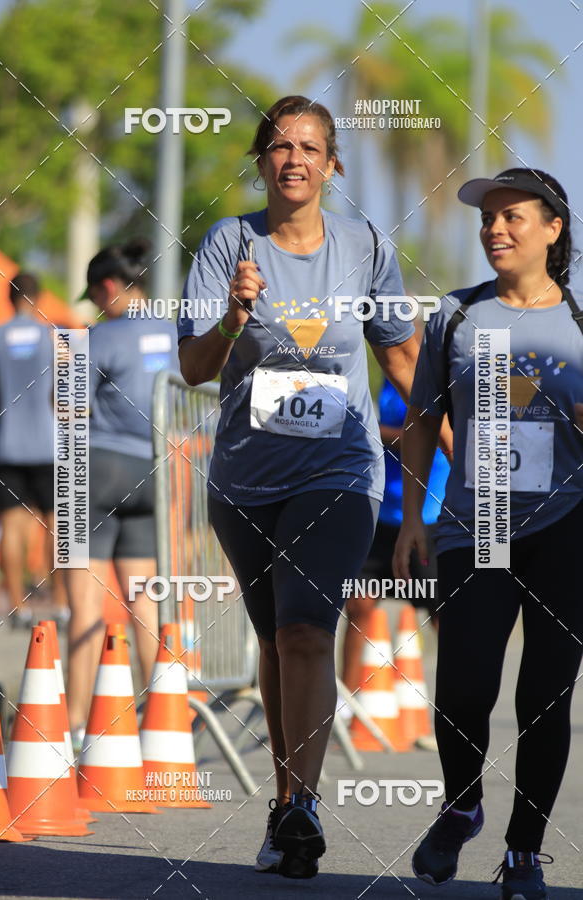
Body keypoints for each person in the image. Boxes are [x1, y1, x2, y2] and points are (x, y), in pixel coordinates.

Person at [178, 94, 451, 879]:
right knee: (272, 638)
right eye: (279, 145)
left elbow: (403, 360)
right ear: (261, 162)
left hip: (340, 467)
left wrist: (461, 456)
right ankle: (285, 799)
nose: (293, 158)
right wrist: (233, 318)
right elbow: (194, 370)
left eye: (309, 147)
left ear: (332, 165)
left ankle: (304, 806)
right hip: (244, 478)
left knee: (305, 628)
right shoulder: (228, 243)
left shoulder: (364, 245)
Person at [394, 168, 583, 900]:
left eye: (511, 217)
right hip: (477, 523)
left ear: (552, 228)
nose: (495, 229)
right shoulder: (456, 315)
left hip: (566, 524)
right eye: (488, 219)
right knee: (465, 688)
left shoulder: (577, 321)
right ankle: (462, 802)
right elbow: (418, 420)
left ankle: (524, 853)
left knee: (546, 697)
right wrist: (412, 517)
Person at [66, 239, 179, 748]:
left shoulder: (93, 337)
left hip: (95, 469)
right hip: (155, 472)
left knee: (85, 608)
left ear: (109, 288)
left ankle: (68, 725)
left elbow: (64, 409)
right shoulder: (178, 333)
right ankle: (157, 724)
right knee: (145, 604)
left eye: (94, 296)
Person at [341, 361, 450, 711]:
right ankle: (344, 702)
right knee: (358, 602)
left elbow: (425, 435)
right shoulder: (386, 383)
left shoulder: (434, 379)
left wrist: (370, 431)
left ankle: (457, 700)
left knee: (441, 613)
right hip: (382, 514)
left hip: (426, 516)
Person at [0, 272, 67, 628]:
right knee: (56, 525)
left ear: (9, 297)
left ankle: (18, 606)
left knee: (12, 525)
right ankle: (61, 605)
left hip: (4, 444)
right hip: (48, 445)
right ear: (39, 297)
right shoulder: (56, 340)